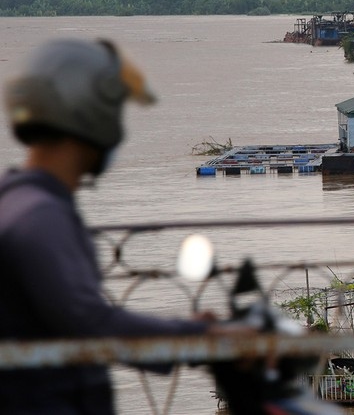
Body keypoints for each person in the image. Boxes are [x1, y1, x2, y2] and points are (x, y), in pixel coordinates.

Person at [0, 38, 217, 414]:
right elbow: (92, 321)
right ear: (92, 112)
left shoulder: (14, 199)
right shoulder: (42, 216)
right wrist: (204, 337)